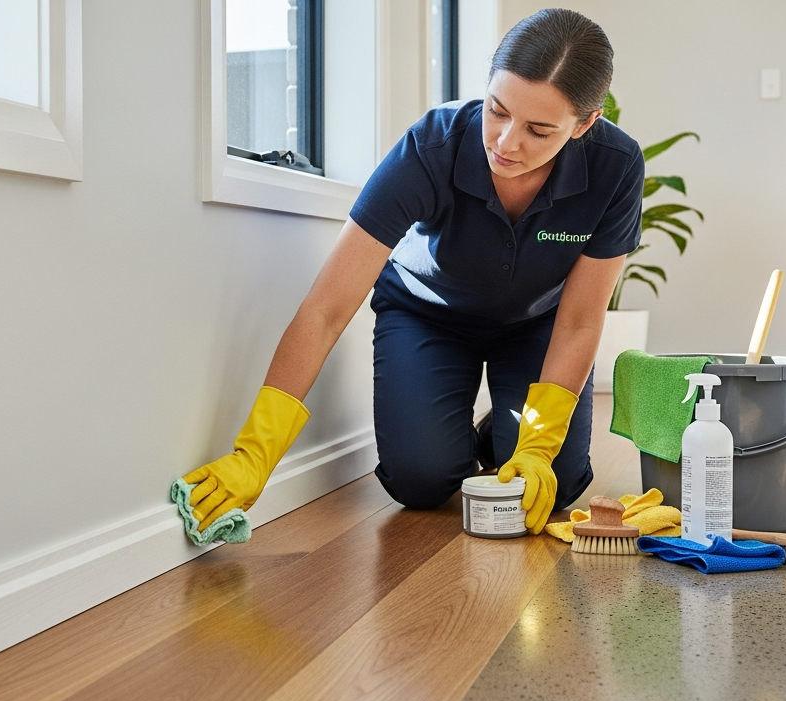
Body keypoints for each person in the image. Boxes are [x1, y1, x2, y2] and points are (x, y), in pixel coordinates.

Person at [182, 8, 642, 536]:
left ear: (586, 123)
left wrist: (537, 447)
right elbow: (327, 308)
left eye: (539, 130)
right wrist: (255, 452)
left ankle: (507, 434)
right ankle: (476, 437)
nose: (506, 142)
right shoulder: (431, 147)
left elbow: (581, 320)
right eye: (497, 110)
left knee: (555, 481)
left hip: (538, 327)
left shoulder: (616, 165)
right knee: (419, 481)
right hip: (429, 317)